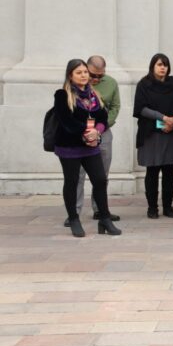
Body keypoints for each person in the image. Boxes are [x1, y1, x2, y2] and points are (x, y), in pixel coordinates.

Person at [53, 59, 121, 237]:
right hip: (70, 147)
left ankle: (104, 219)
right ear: (70, 75)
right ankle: (74, 218)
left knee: (99, 179)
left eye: (85, 72)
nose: (83, 75)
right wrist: (86, 132)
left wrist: (97, 132)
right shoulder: (62, 95)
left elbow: (103, 119)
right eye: (79, 72)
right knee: (72, 181)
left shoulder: (93, 95)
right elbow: (66, 121)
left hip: (91, 145)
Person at [70, 55, 121, 226]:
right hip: (79, 133)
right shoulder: (75, 85)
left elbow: (115, 107)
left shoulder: (111, 83)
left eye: (101, 75)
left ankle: (100, 210)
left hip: (103, 132)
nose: (96, 79)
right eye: (93, 75)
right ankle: (74, 212)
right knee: (78, 175)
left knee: (101, 174)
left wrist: (104, 125)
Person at [133, 53, 173, 219]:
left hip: (171, 132)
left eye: (165, 65)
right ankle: (152, 208)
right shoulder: (144, 84)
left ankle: (168, 207)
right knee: (152, 172)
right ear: (152, 66)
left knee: (169, 172)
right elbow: (141, 109)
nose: (163, 68)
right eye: (159, 64)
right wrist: (163, 119)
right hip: (151, 133)